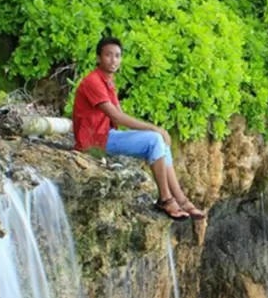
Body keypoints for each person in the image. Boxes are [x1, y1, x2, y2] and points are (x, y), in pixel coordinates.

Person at [71, 36, 205, 221]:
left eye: (117, 56)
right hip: (93, 141)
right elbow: (117, 117)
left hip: (105, 135)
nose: (113, 60)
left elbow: (119, 113)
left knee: (161, 144)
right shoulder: (93, 81)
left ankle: (181, 199)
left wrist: (155, 130)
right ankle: (165, 199)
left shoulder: (108, 81)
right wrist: (156, 129)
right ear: (98, 58)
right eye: (108, 55)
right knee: (155, 139)